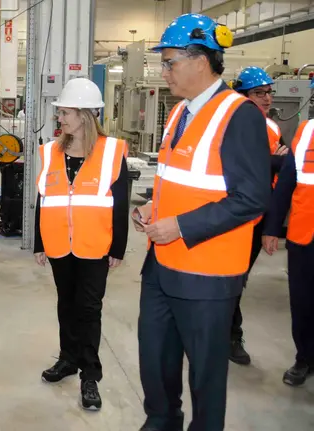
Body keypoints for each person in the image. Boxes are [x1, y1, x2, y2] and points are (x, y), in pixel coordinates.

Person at [133, 14, 271, 431]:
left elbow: (251, 199)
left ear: (200, 60)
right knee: (155, 359)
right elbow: (181, 181)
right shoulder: (178, 114)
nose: (164, 70)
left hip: (207, 275)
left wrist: (181, 226)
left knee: (205, 376)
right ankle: (161, 421)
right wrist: (154, 208)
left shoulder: (239, 114)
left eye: (170, 61)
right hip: (161, 266)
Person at [33, 77, 129, 411]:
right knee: (66, 304)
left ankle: (90, 374)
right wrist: (39, 242)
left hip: (95, 245)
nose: (60, 118)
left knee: (89, 309)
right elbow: (42, 199)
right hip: (60, 244)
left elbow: (120, 201)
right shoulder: (49, 152)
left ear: (86, 115)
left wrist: (118, 247)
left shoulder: (112, 152)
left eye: (66, 112)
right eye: (60, 112)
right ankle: (67, 360)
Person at [227, 66, 290, 365]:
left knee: (238, 278)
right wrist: (276, 162)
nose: (266, 98)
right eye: (258, 93)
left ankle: (228, 332)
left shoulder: (271, 126)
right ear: (243, 96)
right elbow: (242, 166)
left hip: (260, 212)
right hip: (237, 212)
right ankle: (228, 334)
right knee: (231, 277)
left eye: (268, 92)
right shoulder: (237, 124)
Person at [261, 106, 314, 387]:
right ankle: (304, 357)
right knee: (302, 301)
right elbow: (286, 184)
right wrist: (272, 228)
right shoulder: (306, 133)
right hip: (304, 234)